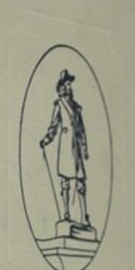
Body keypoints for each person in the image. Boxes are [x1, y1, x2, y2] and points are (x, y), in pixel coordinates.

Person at [40, 69, 92, 228]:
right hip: (65, 149)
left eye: (70, 84)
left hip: (76, 148)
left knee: (81, 183)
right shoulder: (59, 105)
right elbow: (53, 126)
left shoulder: (77, 108)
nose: (70, 87)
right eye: (68, 84)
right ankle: (66, 213)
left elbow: (82, 129)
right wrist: (46, 140)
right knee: (65, 182)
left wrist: (85, 148)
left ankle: (84, 217)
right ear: (62, 86)